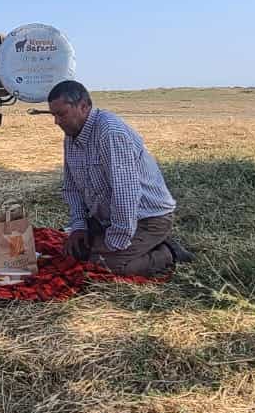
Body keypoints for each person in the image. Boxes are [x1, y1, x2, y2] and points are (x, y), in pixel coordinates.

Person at [46, 80, 194, 278]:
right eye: (53, 115)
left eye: (61, 114)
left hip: (146, 218)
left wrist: (115, 241)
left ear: (84, 106)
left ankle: (168, 253)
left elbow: (126, 193)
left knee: (103, 266)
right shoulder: (71, 136)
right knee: (74, 252)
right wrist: (79, 226)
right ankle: (142, 244)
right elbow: (72, 188)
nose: (56, 122)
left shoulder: (109, 132)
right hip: (107, 217)